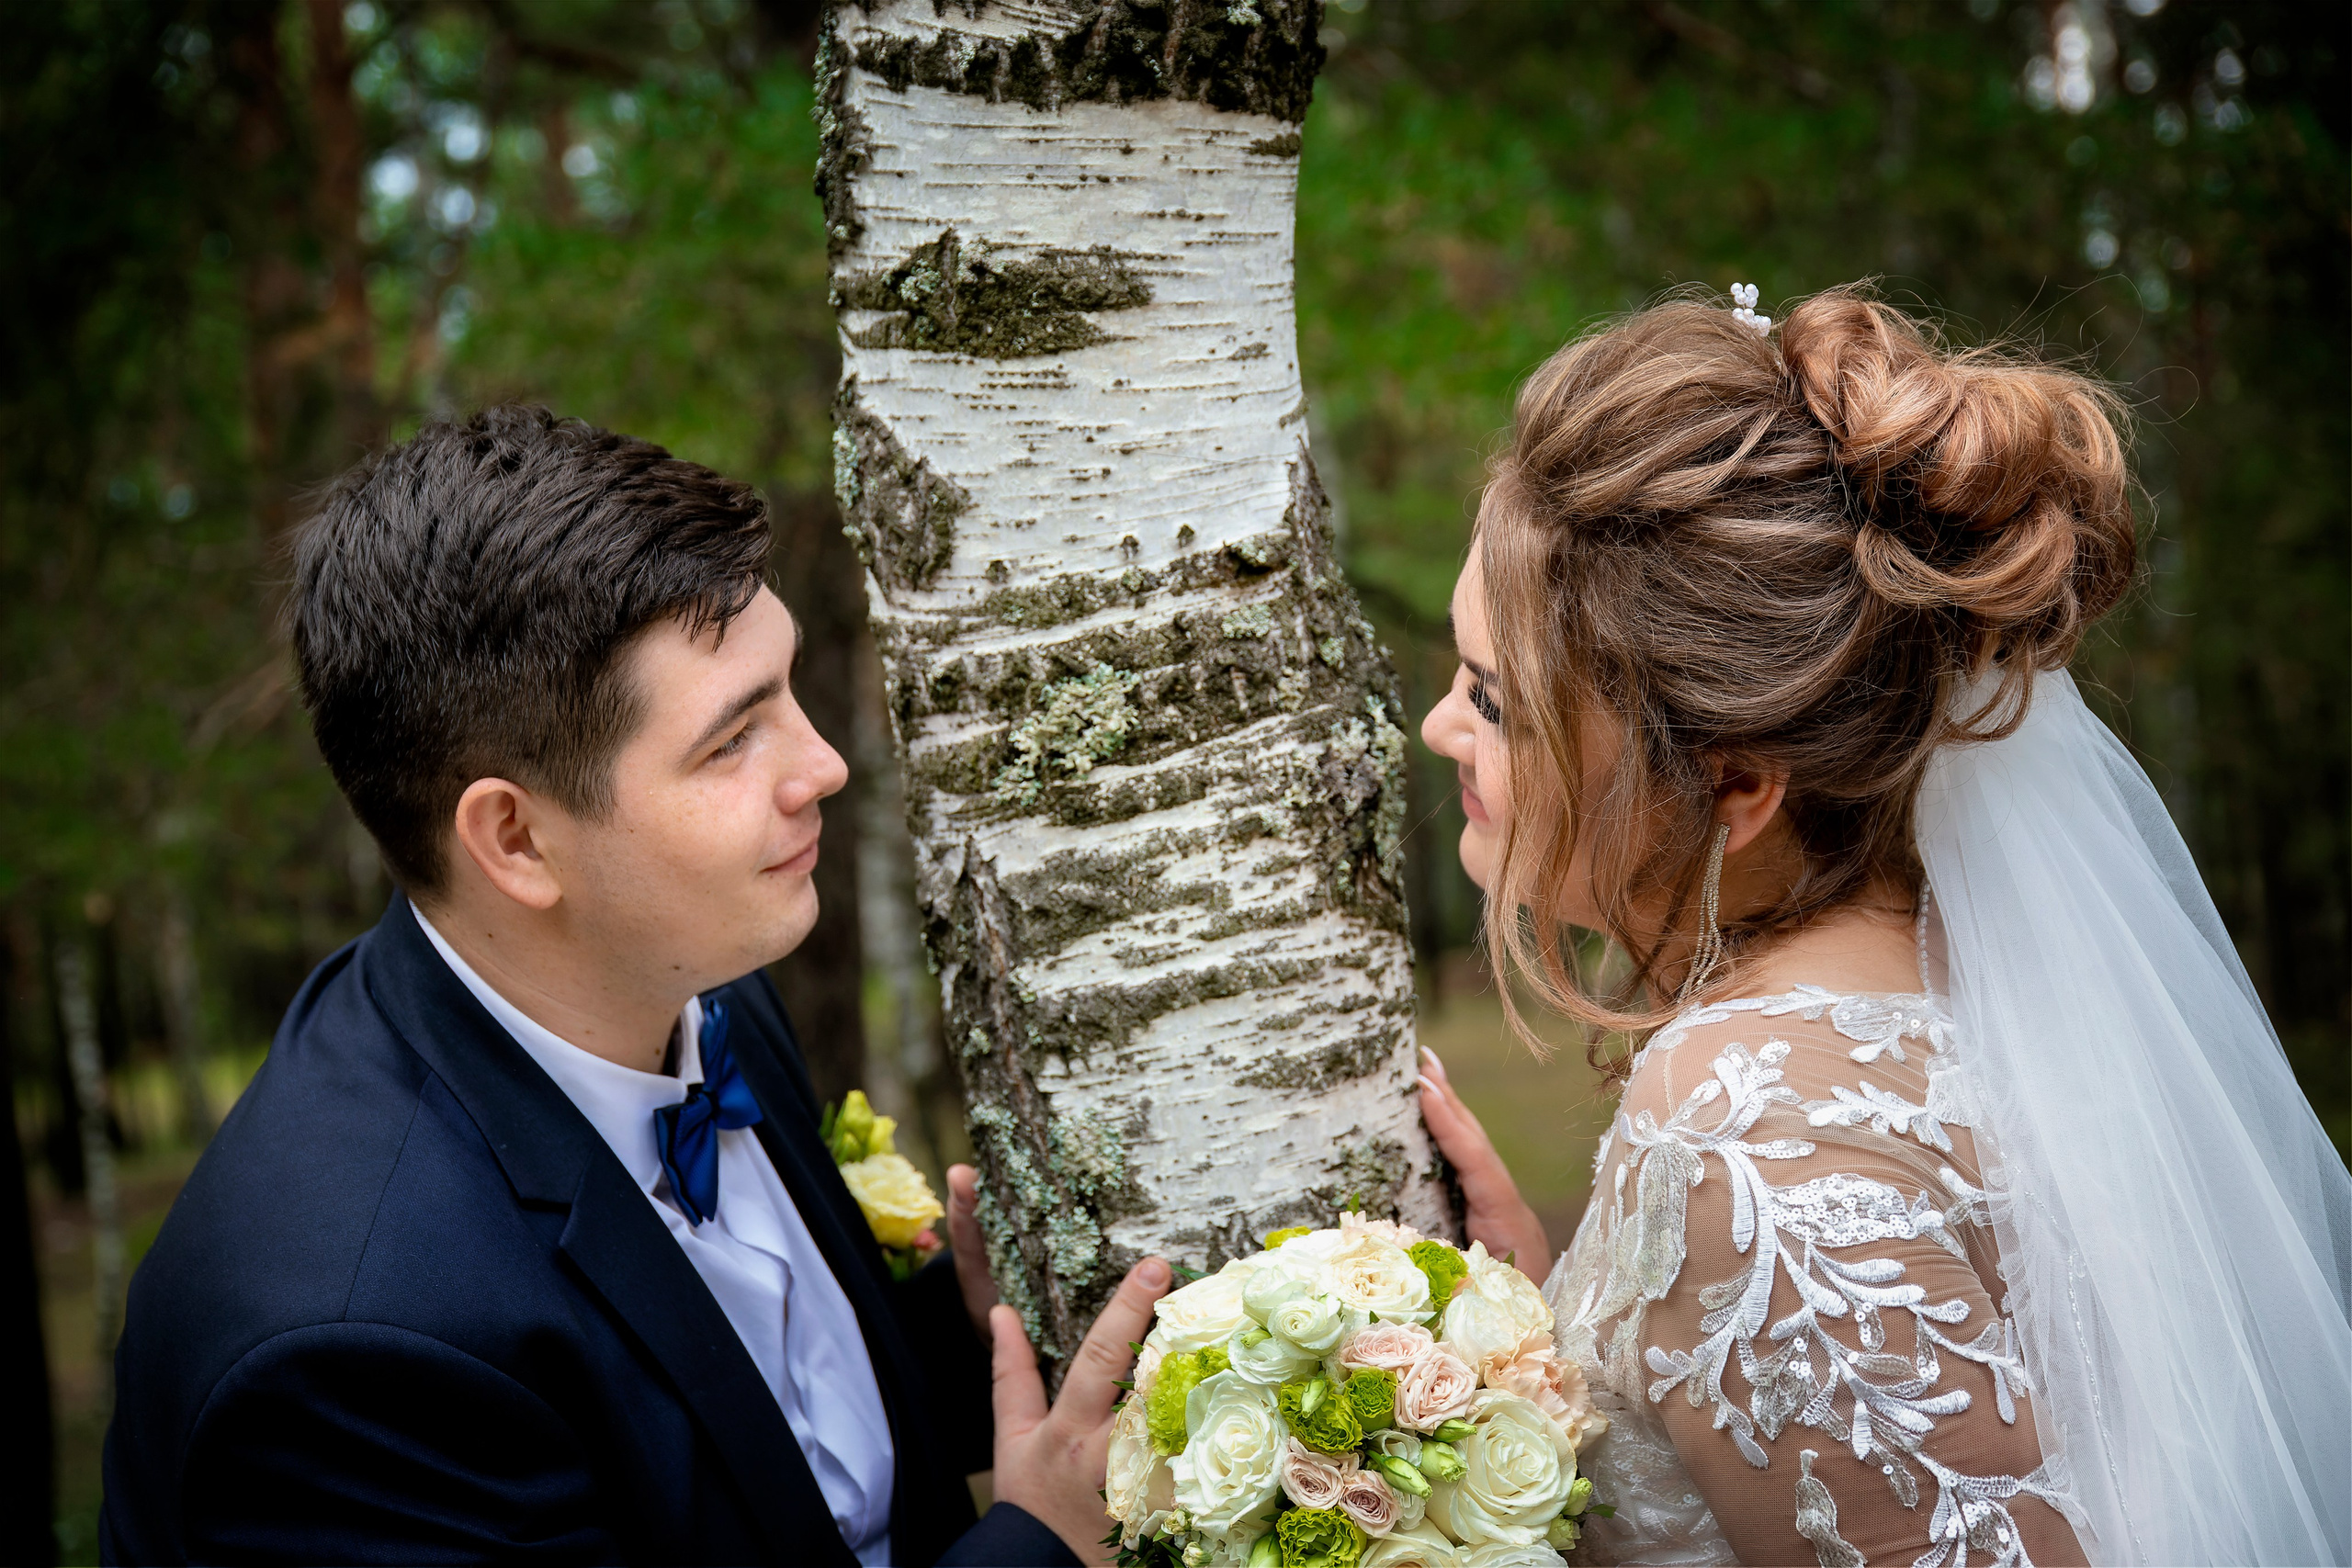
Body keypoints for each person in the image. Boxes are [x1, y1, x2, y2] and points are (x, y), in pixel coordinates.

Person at [102, 406, 1164, 1566]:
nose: (823, 767)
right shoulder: (354, 1357)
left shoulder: (699, 989)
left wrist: (971, 1344)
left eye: (789, 691)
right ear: (514, 841)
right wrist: (1042, 1550)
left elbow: (731, 1440)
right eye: (729, 742)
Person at [1411, 287, 2351, 1566]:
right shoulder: (1964, 967)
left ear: (1737, 785)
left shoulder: (1741, 1134)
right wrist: (1550, 1346)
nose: (1440, 728)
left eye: (1497, 701)